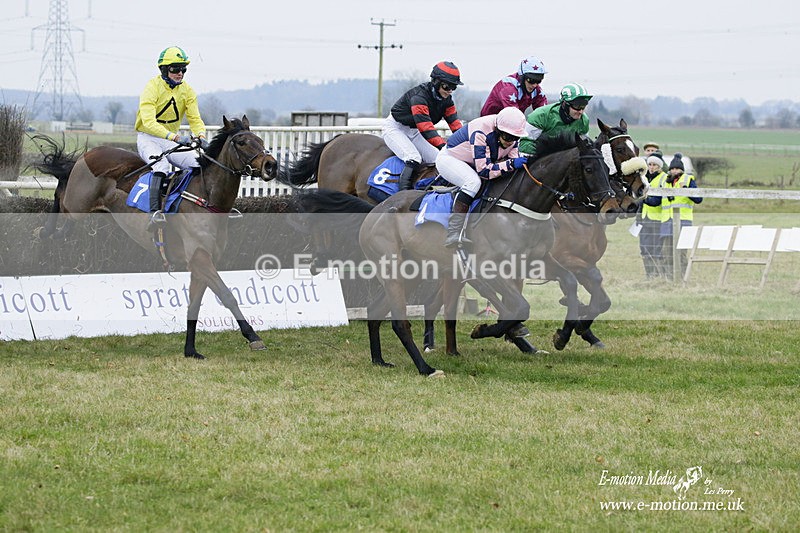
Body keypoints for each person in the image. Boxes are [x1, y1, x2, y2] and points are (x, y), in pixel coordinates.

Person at [135, 46, 209, 229]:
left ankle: (201, 208)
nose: (180, 73)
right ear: (164, 69)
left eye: (183, 69)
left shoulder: (188, 91)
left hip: (170, 139)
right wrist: (175, 137)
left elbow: (195, 119)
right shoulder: (152, 87)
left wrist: (200, 135)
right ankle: (155, 213)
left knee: (199, 165)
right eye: (175, 68)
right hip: (148, 138)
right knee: (161, 166)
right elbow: (148, 122)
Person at [435, 107, 528, 247]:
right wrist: (511, 164)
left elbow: (513, 161)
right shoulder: (481, 131)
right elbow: (484, 172)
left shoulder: (510, 134)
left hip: (473, 162)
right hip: (450, 159)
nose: (511, 142)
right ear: (498, 130)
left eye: (516, 138)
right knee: (473, 183)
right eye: (508, 137)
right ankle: (454, 232)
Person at [382, 61, 464, 192]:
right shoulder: (419, 98)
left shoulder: (447, 101)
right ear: (436, 82)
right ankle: (403, 194)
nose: (450, 91)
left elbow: (455, 124)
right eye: (447, 87)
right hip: (395, 128)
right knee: (413, 158)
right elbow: (426, 129)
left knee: (439, 159)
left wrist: (467, 142)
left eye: (453, 87)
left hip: (414, 131)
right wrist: (445, 146)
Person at [642, 153, 703, 277]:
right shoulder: (665, 182)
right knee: (666, 252)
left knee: (680, 253)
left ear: (682, 170)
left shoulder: (688, 180)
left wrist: (686, 190)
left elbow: (698, 199)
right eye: (672, 169)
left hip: (683, 222)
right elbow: (656, 201)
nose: (674, 171)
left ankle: (681, 278)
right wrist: (643, 199)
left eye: (677, 169)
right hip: (667, 223)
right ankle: (669, 277)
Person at [518, 83, 592, 157]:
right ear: (564, 104)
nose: (581, 111)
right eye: (577, 106)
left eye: (583, 106)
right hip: (541, 158)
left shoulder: (584, 120)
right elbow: (526, 142)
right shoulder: (541, 115)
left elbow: (583, 146)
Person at [479, 56, 548, 117]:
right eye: (531, 80)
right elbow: (514, 117)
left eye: (538, 81)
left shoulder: (537, 90)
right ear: (522, 76)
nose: (534, 85)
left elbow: (544, 113)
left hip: (509, 124)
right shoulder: (507, 87)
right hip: (488, 123)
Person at [639, 154, 668, 278]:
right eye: (649, 164)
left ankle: (659, 275)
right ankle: (649, 275)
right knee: (645, 248)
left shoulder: (664, 178)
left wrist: (642, 198)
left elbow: (657, 201)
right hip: (645, 218)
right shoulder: (644, 178)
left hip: (657, 218)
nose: (651, 167)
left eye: (654, 165)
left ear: (660, 166)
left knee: (656, 249)